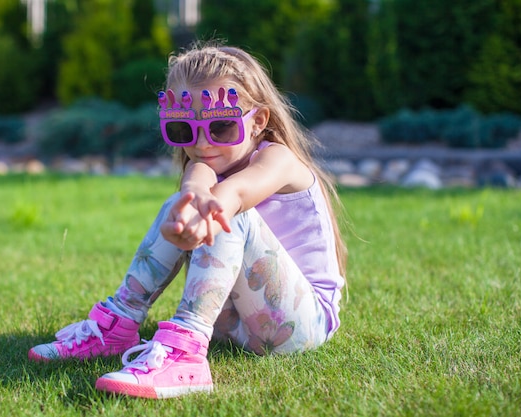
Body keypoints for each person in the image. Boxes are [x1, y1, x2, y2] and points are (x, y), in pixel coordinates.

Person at [29, 42, 347, 399]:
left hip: (302, 324)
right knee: (186, 203)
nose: (201, 144)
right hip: (235, 324)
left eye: (222, 127)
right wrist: (185, 211)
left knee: (226, 212)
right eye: (184, 130)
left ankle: (187, 355)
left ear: (258, 121)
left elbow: (238, 194)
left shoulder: (279, 159)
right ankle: (118, 324)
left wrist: (209, 208)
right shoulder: (203, 165)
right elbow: (197, 186)